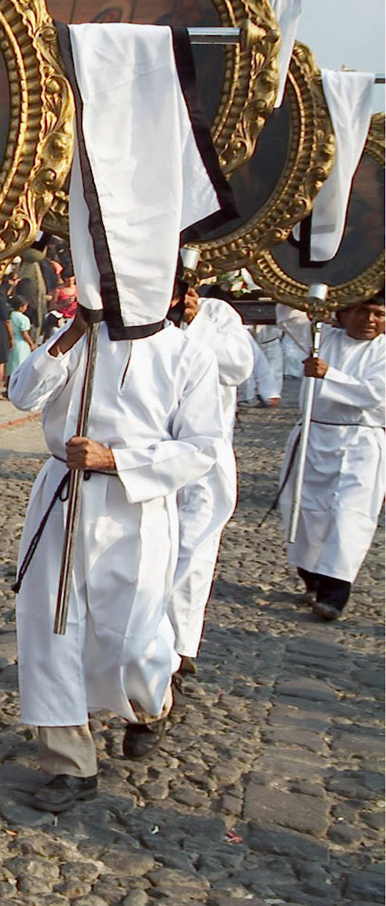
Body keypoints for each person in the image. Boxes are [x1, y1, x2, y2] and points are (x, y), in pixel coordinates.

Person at [8, 311, 223, 810]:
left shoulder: (188, 353)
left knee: (133, 637)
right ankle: (69, 764)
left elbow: (202, 448)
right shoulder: (75, 334)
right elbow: (22, 394)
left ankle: (152, 705)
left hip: (136, 506)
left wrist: (116, 459)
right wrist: (70, 336)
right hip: (63, 495)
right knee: (52, 627)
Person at [168, 279, 256, 669]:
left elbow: (238, 366)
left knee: (193, 546)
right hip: (147, 450)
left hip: (203, 452)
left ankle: (180, 643)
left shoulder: (219, 314)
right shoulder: (139, 316)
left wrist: (197, 320)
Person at [280, 295, 385, 622]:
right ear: (344, 312)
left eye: (378, 314)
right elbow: (288, 315)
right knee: (306, 509)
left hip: (358, 440)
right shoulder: (322, 338)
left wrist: (329, 375)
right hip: (314, 435)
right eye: (361, 310)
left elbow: (375, 393)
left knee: (348, 515)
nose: (369, 320)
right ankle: (312, 575)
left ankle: (335, 591)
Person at [6, 295, 34, 376]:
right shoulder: (23, 318)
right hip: (21, 344)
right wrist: (31, 343)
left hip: (11, 342)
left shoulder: (9, 316)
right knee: (21, 365)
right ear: (21, 307)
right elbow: (24, 333)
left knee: (11, 365)